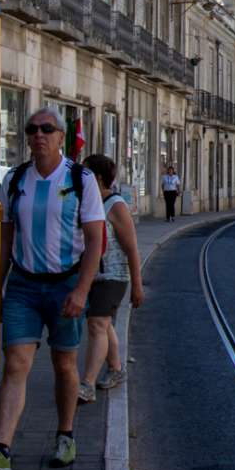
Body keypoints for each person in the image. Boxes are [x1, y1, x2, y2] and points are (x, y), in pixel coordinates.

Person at [0, 108, 105, 470]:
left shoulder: (80, 179)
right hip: (23, 286)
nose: (38, 135)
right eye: (32, 129)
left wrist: (81, 290)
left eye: (47, 129)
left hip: (65, 285)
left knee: (64, 364)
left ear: (61, 137)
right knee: (15, 363)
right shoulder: (14, 180)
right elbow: (5, 238)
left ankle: (65, 435)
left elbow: (95, 241)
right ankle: (1, 450)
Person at [78, 155, 144, 403]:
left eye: (84, 173)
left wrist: (137, 285)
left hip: (113, 275)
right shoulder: (86, 202)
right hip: (90, 275)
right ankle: (116, 369)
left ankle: (87, 383)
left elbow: (132, 248)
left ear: (97, 178)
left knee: (97, 324)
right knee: (104, 325)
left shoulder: (116, 205)